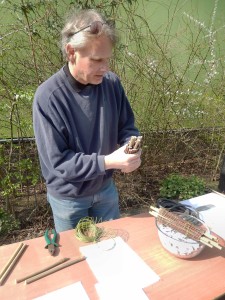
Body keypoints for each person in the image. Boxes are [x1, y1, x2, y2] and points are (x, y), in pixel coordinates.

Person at [33, 9, 142, 232]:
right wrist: (108, 162)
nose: (105, 68)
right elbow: (59, 162)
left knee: (113, 248)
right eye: (96, 60)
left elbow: (127, 127)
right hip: (69, 199)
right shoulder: (48, 97)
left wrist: (131, 149)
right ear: (71, 51)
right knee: (78, 258)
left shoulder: (111, 84)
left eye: (108, 59)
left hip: (106, 191)